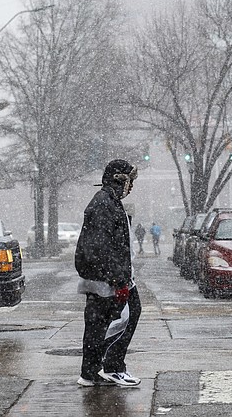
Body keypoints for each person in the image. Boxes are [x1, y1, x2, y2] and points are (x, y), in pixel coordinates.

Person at [75, 159, 142, 388]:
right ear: (120, 180)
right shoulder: (106, 204)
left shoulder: (106, 202)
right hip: (109, 280)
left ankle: (91, 372)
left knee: (98, 324)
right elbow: (104, 248)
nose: (131, 187)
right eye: (129, 181)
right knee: (124, 317)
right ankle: (111, 367)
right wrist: (119, 281)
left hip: (104, 278)